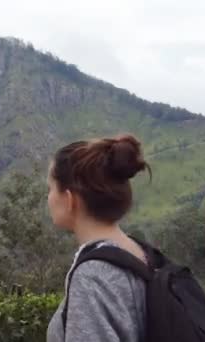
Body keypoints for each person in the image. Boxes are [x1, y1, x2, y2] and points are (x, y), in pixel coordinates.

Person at [46, 134, 150, 342]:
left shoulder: (92, 276)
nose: (48, 197)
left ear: (69, 199)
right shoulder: (139, 252)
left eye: (50, 189)